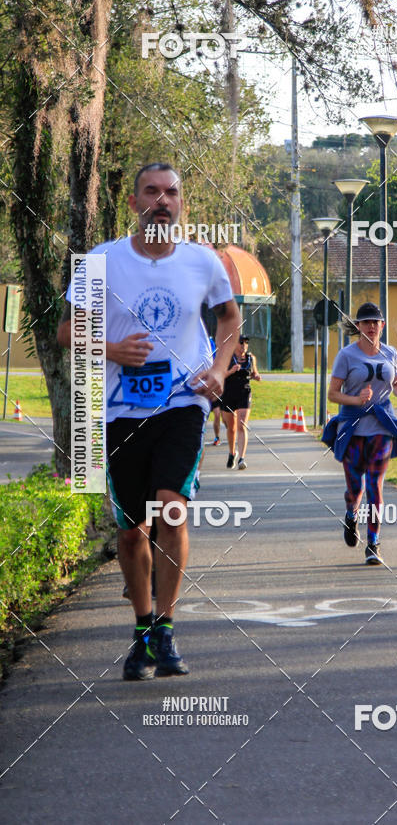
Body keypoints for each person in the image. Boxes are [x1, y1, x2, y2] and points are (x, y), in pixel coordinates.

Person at [57, 162, 241, 680]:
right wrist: (113, 348)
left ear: (182, 204)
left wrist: (219, 370)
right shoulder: (101, 261)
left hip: (182, 404)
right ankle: (141, 630)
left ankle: (165, 628)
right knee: (133, 532)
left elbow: (229, 318)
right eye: (152, 192)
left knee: (172, 509)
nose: (162, 200)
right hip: (118, 409)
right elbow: (67, 333)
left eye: (172, 193)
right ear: (135, 203)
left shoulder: (203, 262)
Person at [322, 302, 397, 565]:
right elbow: (332, 394)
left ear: (382, 326)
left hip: (381, 428)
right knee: (356, 490)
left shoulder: (391, 353)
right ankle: (351, 515)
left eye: (376, 322)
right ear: (358, 327)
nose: (372, 326)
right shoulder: (346, 355)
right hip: (352, 429)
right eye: (366, 322)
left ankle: (374, 543)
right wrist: (357, 400)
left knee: (375, 487)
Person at [221, 335, 261, 470]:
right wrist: (231, 371)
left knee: (242, 424)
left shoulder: (251, 358)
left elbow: (255, 373)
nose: (244, 345)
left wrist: (256, 376)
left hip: (244, 392)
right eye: (241, 342)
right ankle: (232, 453)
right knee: (231, 428)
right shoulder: (228, 357)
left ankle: (242, 458)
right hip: (228, 393)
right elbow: (220, 375)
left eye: (246, 342)